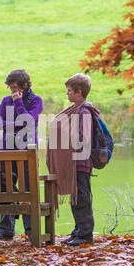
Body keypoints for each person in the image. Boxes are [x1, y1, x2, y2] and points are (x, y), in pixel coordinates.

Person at [46, 73, 99, 246]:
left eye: (69, 91)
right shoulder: (77, 110)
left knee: (81, 198)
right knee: (76, 199)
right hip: (74, 163)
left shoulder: (84, 112)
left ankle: (85, 235)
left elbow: (83, 138)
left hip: (81, 163)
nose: (67, 94)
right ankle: (78, 231)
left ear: (79, 92)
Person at [0, 69, 43, 242]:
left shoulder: (36, 101)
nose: (12, 91)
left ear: (25, 85)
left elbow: (29, 121)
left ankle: (30, 230)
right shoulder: (6, 101)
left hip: (27, 151)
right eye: (10, 88)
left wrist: (19, 102)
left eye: (15, 87)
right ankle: (5, 230)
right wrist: (17, 123)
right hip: (7, 150)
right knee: (6, 189)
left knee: (28, 190)